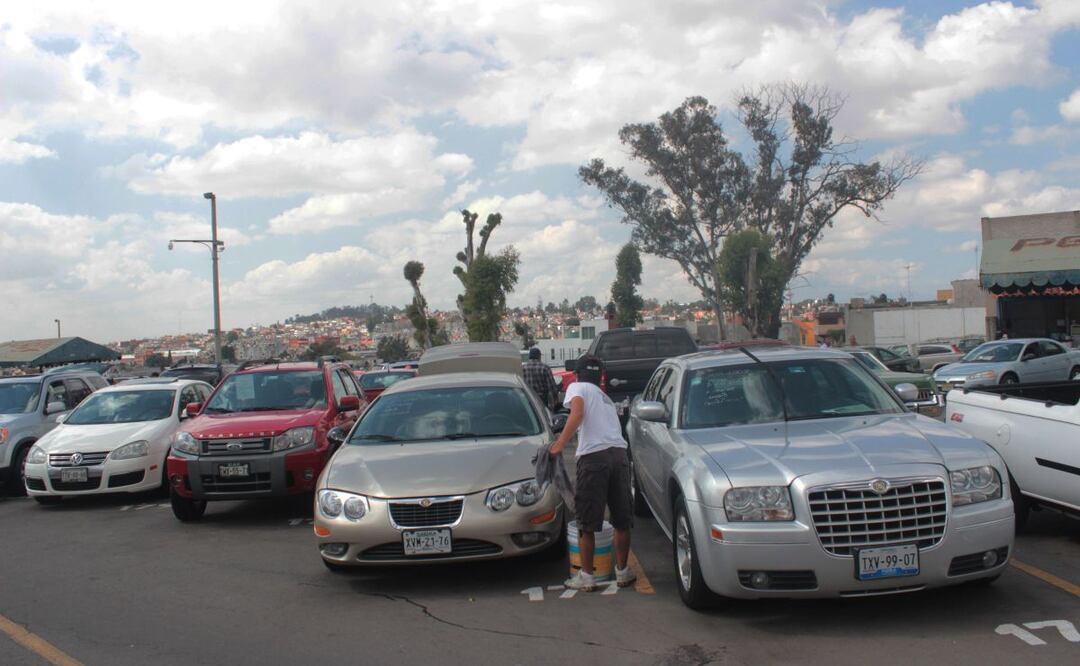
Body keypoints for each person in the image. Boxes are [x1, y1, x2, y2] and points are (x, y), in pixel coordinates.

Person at [548, 354, 635, 591]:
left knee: (587, 521)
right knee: (621, 519)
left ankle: (586, 577)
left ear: (576, 374)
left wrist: (558, 445)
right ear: (600, 377)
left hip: (593, 458)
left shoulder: (577, 387)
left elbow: (577, 414)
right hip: (619, 457)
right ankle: (623, 571)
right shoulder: (605, 398)